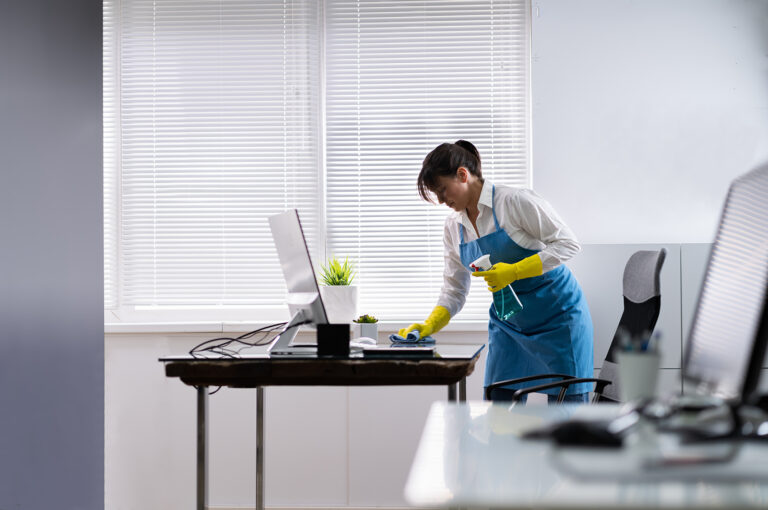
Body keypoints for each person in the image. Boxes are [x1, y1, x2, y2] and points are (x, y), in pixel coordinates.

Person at [399, 140, 593, 403]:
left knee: (566, 419)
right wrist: (431, 324)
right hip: (510, 324)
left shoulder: (514, 201)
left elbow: (569, 243)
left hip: (558, 317)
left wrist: (514, 271)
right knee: (498, 413)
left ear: (462, 174)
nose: (442, 201)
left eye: (443, 190)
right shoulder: (454, 227)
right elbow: (454, 288)